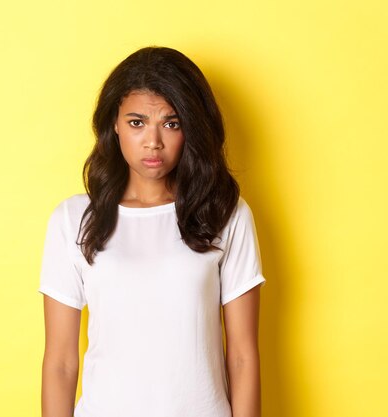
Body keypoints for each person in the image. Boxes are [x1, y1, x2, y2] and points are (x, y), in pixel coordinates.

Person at [39, 46, 266, 417]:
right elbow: (61, 361)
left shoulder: (224, 214)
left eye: (171, 123)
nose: (153, 141)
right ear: (114, 124)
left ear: (190, 127)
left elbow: (242, 356)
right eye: (137, 122)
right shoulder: (73, 219)